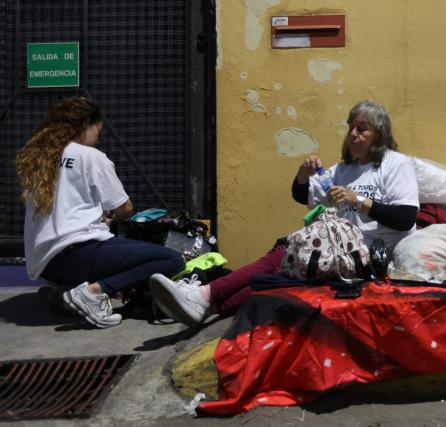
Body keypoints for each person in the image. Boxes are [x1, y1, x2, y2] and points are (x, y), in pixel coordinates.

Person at [149, 100, 420, 326]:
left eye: (363, 129)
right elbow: (303, 196)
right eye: (351, 127)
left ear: (379, 136)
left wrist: (359, 200)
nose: (353, 134)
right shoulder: (342, 170)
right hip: (335, 249)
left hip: (369, 254)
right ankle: (209, 307)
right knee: (282, 270)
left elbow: (405, 218)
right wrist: (302, 176)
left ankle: (206, 294)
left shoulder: (395, 165)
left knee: (287, 254)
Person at [15, 96, 185, 328]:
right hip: (80, 252)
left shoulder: (41, 158)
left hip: (46, 263)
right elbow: (125, 208)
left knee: (109, 248)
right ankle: (94, 291)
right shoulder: (91, 156)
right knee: (171, 259)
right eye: (98, 130)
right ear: (86, 125)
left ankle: (67, 294)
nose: (98, 138)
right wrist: (112, 218)